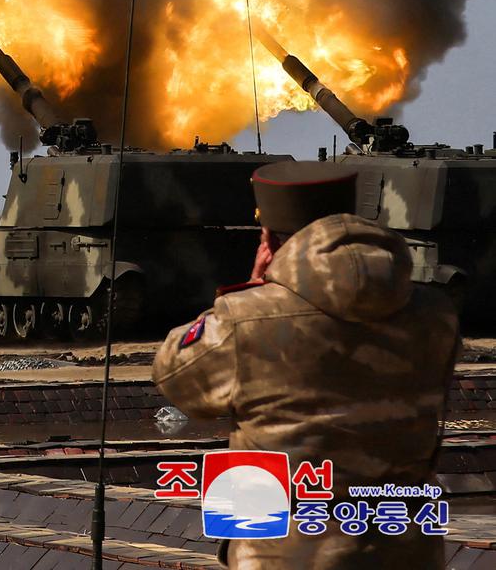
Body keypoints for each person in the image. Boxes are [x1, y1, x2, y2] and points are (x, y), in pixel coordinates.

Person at [154, 161, 460, 569]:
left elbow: (175, 378)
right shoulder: (437, 314)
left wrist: (249, 295)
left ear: (269, 237)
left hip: (283, 552)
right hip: (408, 548)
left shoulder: (243, 320)